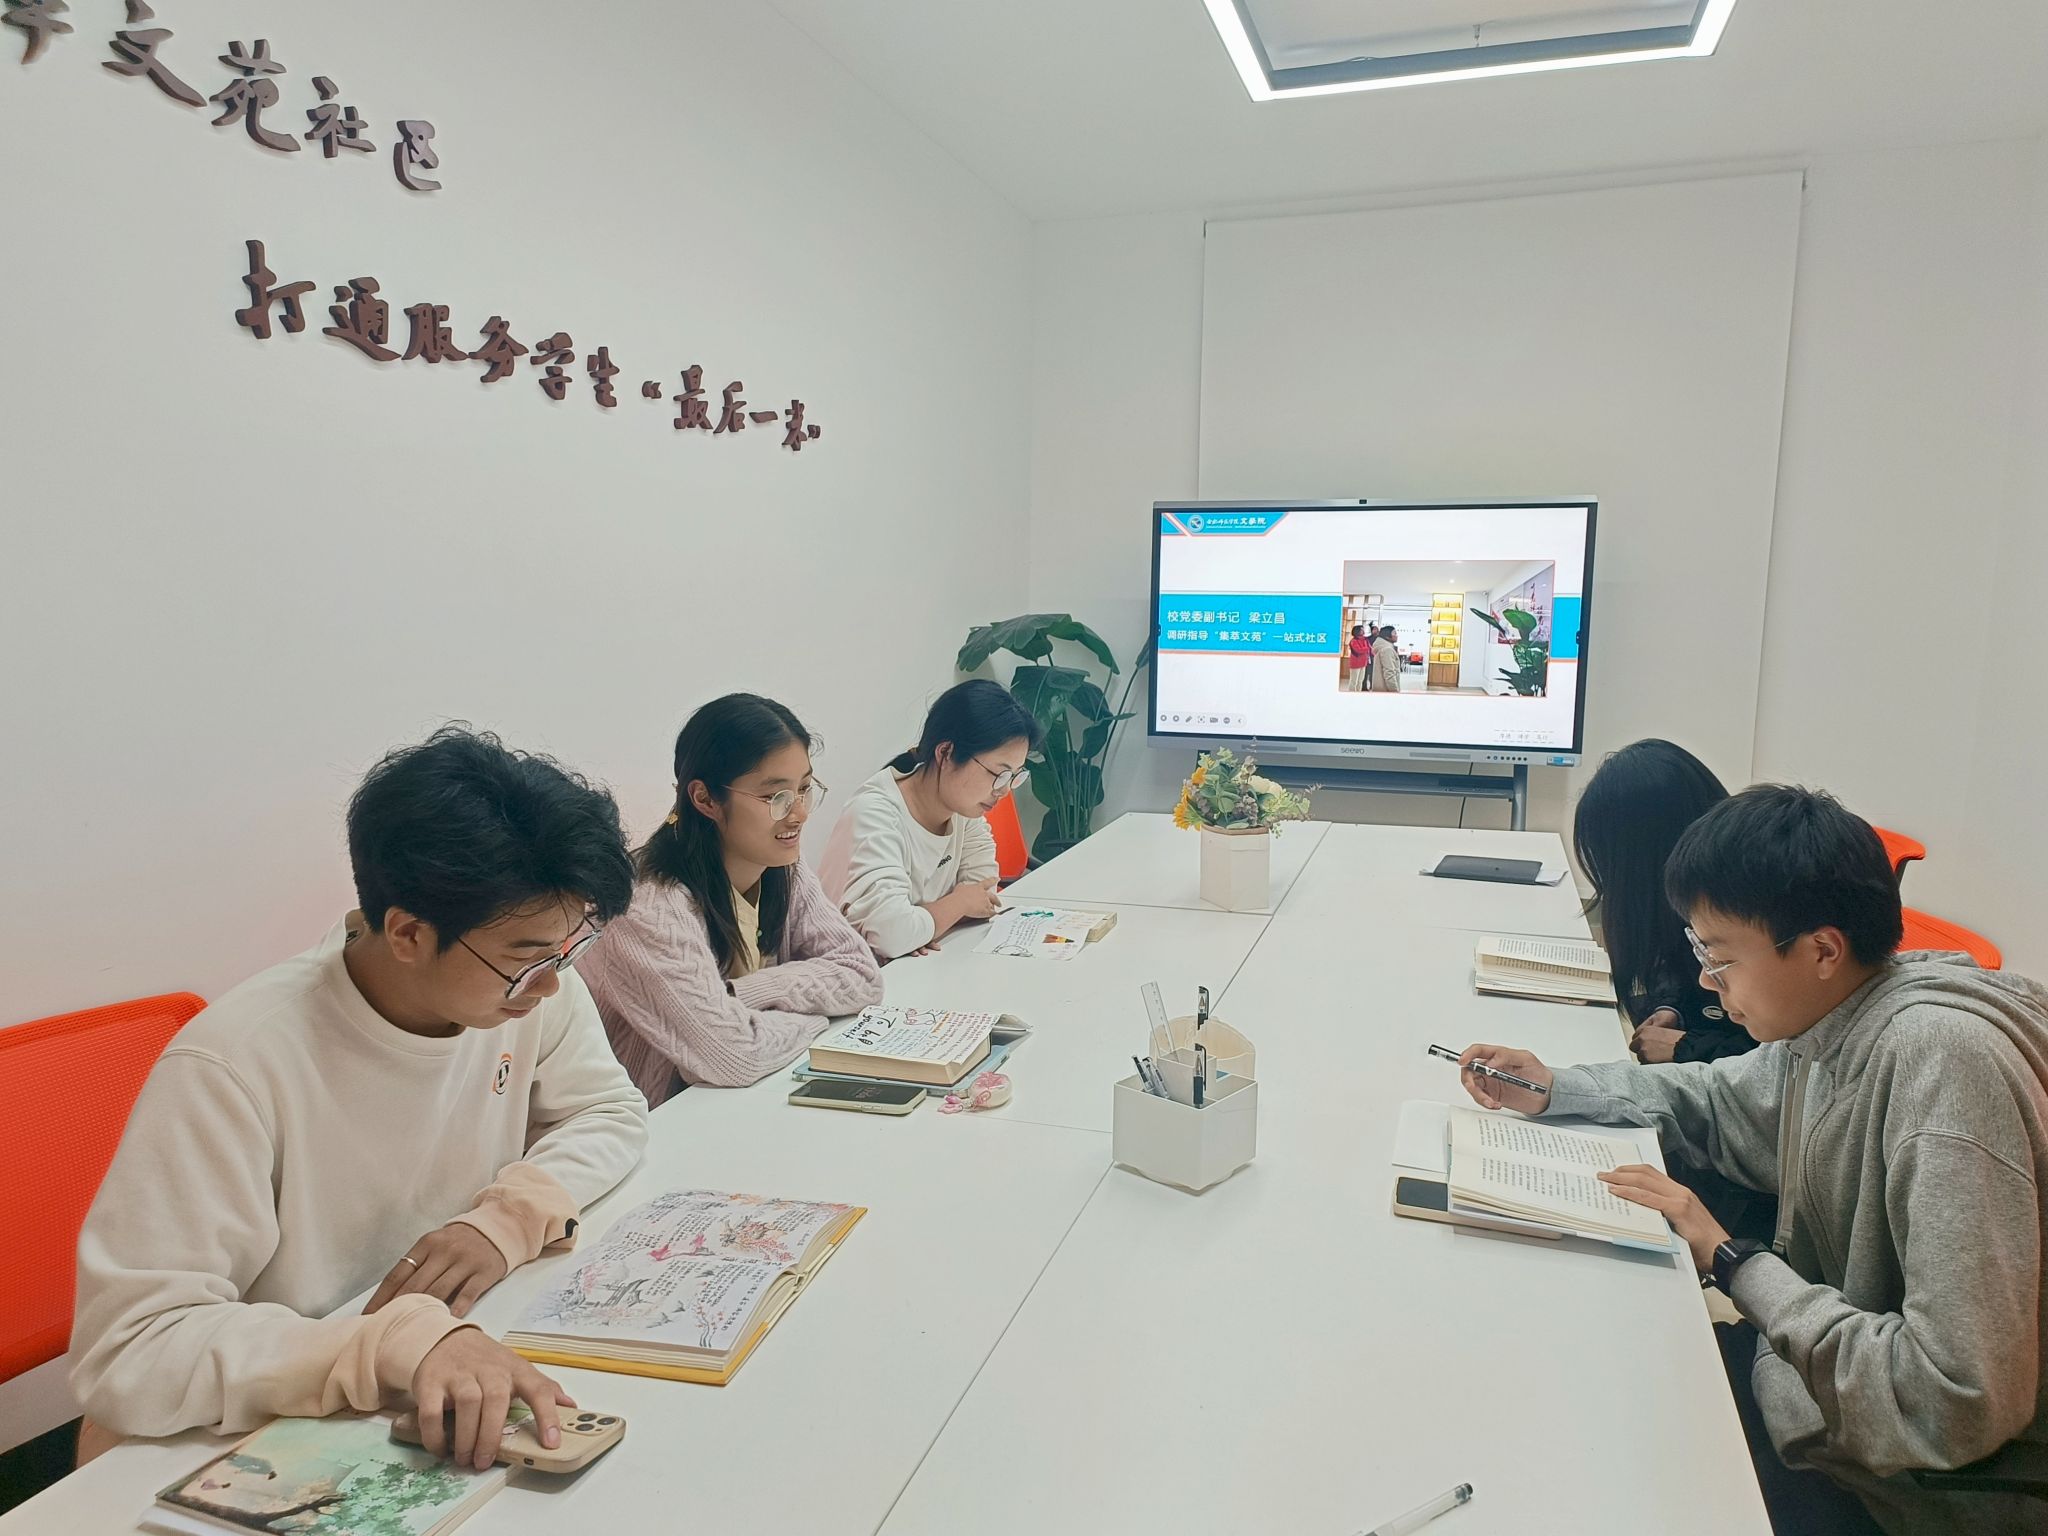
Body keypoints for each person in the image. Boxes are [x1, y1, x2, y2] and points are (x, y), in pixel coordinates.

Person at [1460, 785, 2048, 1535]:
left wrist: (1734, 1261)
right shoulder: (1832, 1021)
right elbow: (1715, 1098)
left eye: (1719, 956)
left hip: (1932, 1490)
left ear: (1822, 950)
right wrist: (1557, 1087)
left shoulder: (1945, 1074)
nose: (1708, 982)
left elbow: (1953, 1404)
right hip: (1823, 1390)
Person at [69, 727, 651, 1471]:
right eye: (526, 958)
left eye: (569, 949)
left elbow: (609, 1111)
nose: (550, 982)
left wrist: (506, 1219)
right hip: (247, 1429)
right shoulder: (236, 1062)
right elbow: (130, 1349)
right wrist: (392, 1343)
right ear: (407, 933)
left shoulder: (528, 991)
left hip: (426, 1372)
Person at [578, 693, 880, 1101]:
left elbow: (862, 975)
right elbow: (733, 1055)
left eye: (805, 789)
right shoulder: (648, 907)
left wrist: (749, 993)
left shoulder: (782, 866)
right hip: (656, 1117)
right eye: (776, 797)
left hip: (741, 1101)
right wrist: (816, 1018)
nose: (799, 814)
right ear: (704, 799)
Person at [818, 679, 1043, 960]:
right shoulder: (874, 813)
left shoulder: (964, 810)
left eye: (1014, 776)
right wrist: (957, 904)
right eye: (999, 774)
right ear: (946, 753)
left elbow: (984, 895)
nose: (1004, 790)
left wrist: (924, 924)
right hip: (844, 972)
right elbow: (892, 936)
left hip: (913, 967)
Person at [1372, 624, 1401, 694]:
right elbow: (1389, 673)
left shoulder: (1383, 647)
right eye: (1394, 633)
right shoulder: (1387, 650)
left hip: (1380, 689)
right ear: (1387, 636)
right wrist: (1395, 691)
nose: (1397, 635)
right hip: (1386, 691)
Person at [1348, 623, 1374, 690]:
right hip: (1355, 664)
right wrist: (1367, 648)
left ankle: (1358, 693)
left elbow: (1370, 649)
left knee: (1360, 681)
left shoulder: (1365, 639)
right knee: (1354, 681)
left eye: (1363, 629)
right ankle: (1351, 694)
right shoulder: (1353, 641)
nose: (1363, 631)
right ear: (1357, 631)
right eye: (1361, 630)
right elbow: (1359, 650)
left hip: (1363, 663)